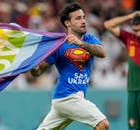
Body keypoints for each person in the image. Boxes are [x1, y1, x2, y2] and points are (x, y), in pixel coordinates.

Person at [31, 2, 109, 130]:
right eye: (78, 18)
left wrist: (80, 43)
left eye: (83, 17)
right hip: (68, 96)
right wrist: (34, 68)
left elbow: (102, 53)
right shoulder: (59, 45)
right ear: (68, 23)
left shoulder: (89, 39)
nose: (83, 21)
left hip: (64, 100)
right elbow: (38, 72)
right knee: (103, 124)